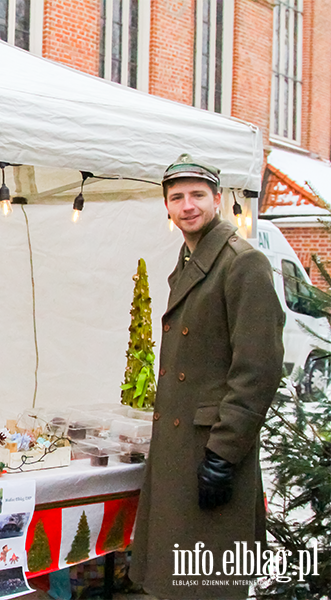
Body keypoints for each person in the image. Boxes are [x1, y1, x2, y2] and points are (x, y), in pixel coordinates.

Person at [130, 154, 284, 598]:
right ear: (167, 207)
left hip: (211, 449)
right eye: (176, 197)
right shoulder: (190, 259)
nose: (187, 205)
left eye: (197, 195)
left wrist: (223, 454)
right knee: (179, 579)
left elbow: (257, 369)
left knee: (207, 583)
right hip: (181, 450)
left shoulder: (241, 263)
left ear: (218, 199)